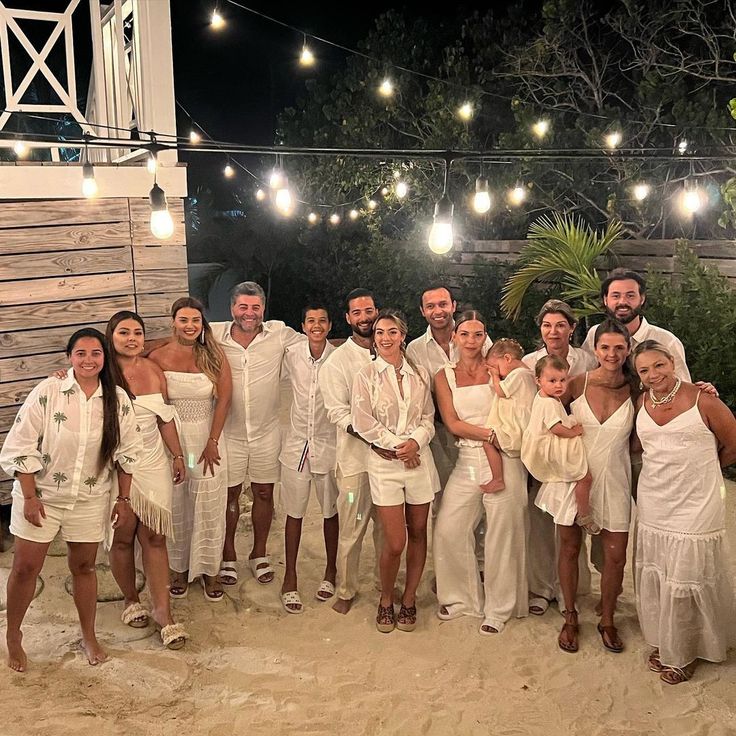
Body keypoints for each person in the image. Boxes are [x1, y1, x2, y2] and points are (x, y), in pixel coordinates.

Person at [0, 328, 140, 671]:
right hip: (42, 497)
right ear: (69, 357)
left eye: (95, 353)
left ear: (105, 358)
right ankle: (14, 635)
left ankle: (88, 634)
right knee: (25, 567)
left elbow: (128, 453)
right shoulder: (49, 392)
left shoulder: (117, 399)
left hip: (89, 498)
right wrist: (30, 497)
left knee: (84, 567)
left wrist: (123, 500)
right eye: (81, 354)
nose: (88, 360)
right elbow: (20, 446)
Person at [633, 340, 736, 684]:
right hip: (654, 500)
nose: (653, 375)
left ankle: (687, 651)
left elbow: (734, 442)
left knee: (687, 576)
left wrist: (709, 468)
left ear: (673, 362)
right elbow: (640, 447)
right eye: (644, 370)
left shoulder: (703, 399)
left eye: (658, 366)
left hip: (696, 502)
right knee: (661, 572)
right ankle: (668, 641)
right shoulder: (641, 401)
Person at [433, 311, 530, 635]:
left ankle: (499, 609)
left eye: (478, 334)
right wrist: (489, 435)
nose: (471, 341)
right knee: (449, 527)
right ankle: (462, 599)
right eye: (465, 334)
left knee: (502, 534)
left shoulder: (501, 369)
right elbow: (453, 423)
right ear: (454, 337)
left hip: (506, 457)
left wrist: (504, 440)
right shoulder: (443, 375)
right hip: (469, 458)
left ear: (485, 336)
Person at [210, 282, 304, 586]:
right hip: (229, 433)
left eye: (255, 308)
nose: (249, 314)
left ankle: (259, 553)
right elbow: (176, 344)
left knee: (264, 492)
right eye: (243, 307)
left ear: (263, 309)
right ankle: (228, 555)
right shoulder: (213, 334)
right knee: (229, 495)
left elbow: (316, 343)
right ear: (232, 308)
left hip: (266, 432)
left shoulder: (279, 334)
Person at [104, 312, 189, 649]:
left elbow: (165, 418)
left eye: (137, 333)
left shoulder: (153, 370)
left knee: (155, 536)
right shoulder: (101, 372)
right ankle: (129, 598)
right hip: (115, 464)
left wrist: (178, 455)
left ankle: (163, 612)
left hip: (154, 462)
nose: (131, 338)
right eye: (123, 332)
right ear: (111, 336)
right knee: (122, 535)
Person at [351, 309, 439, 633]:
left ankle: (410, 598)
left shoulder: (420, 374)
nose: (385, 338)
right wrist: (400, 446)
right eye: (379, 333)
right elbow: (362, 421)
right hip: (385, 465)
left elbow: (428, 417)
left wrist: (416, 442)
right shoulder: (366, 375)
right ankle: (386, 598)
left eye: (391, 332)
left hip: (419, 462)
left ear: (403, 335)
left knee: (419, 532)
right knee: (395, 541)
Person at [554, 319, 636, 654]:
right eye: (605, 347)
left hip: (616, 478)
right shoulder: (576, 384)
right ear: (595, 349)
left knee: (616, 557)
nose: (612, 354)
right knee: (570, 550)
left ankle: (607, 618)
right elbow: (549, 425)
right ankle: (570, 615)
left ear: (628, 349)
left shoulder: (637, 388)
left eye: (619, 347)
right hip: (576, 477)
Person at [148, 298, 232, 602]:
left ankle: (210, 570)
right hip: (171, 437)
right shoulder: (156, 356)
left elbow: (223, 399)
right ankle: (179, 568)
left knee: (208, 501)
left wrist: (212, 441)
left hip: (206, 437)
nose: (190, 326)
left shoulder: (213, 354)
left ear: (202, 324)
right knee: (177, 503)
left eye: (195, 320)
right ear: (173, 322)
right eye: (184, 320)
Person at [522, 299, 597, 616]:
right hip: (546, 445)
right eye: (547, 325)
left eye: (561, 324)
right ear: (540, 329)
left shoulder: (587, 360)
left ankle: (573, 589)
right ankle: (540, 588)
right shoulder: (529, 363)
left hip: (578, 448)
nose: (553, 331)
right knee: (541, 522)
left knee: (570, 527)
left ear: (572, 328)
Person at [319, 288, 384, 615]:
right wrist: (376, 439)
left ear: (377, 311)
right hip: (355, 462)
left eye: (369, 310)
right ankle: (345, 589)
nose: (364, 317)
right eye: (357, 312)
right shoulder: (337, 361)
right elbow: (337, 413)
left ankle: (387, 588)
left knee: (387, 532)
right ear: (347, 318)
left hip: (390, 466)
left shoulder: (391, 350)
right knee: (352, 529)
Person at [278, 303, 339, 614]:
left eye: (322, 321)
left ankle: (331, 571)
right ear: (302, 325)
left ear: (329, 326)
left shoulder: (338, 358)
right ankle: (290, 576)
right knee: (294, 513)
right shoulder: (291, 353)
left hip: (328, 447)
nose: (316, 326)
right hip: (296, 446)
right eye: (310, 321)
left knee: (330, 511)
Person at [522, 356, 597, 535]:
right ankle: (584, 514)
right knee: (584, 476)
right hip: (548, 446)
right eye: (552, 381)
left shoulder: (543, 396)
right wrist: (574, 432)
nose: (559, 385)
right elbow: (556, 428)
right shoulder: (549, 403)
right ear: (538, 380)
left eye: (563, 380)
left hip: (542, 441)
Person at [582, 269, 691, 381]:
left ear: (642, 299)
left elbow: (683, 387)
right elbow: (585, 375)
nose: (622, 302)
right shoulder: (595, 333)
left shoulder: (666, 341)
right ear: (605, 300)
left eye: (630, 296)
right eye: (616, 296)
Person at [481, 339, 536, 495]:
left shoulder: (519, 374)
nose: (496, 372)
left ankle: (497, 479)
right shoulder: (528, 373)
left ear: (507, 358)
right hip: (520, 425)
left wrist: (494, 375)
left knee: (487, 442)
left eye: (496, 366)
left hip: (515, 428)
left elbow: (501, 391)